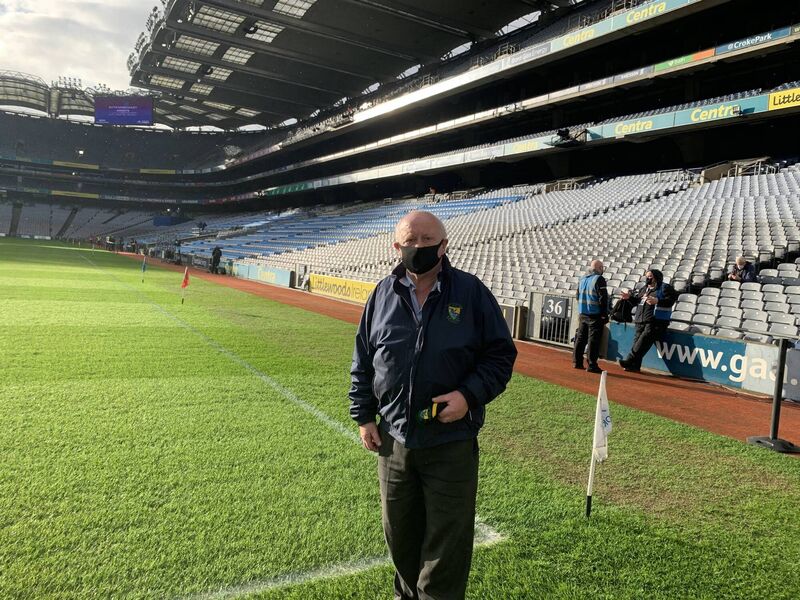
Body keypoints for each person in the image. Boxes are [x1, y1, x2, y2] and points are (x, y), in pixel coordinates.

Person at [350, 211, 517, 600]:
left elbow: (500, 356)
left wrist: (468, 395)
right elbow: (364, 359)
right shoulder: (381, 295)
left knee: (447, 542)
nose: (419, 247)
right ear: (397, 246)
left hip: (450, 441)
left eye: (429, 240)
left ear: (444, 246)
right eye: (412, 240)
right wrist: (363, 415)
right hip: (394, 440)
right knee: (400, 535)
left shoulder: (471, 293)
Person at [618, 269, 677, 373]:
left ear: (656, 277)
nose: (647, 278)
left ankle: (629, 360)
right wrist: (629, 298)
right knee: (638, 343)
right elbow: (637, 301)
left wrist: (658, 300)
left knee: (642, 342)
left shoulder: (665, 287)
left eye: (650, 276)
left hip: (655, 321)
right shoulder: (644, 288)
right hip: (640, 320)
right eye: (647, 276)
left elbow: (671, 300)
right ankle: (634, 366)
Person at [573, 259, 609, 374]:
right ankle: (592, 365)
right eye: (602, 267)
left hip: (583, 313)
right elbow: (603, 298)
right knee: (593, 341)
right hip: (595, 314)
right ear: (599, 268)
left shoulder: (583, 278)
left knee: (580, 338)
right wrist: (604, 314)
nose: (602, 269)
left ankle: (577, 362)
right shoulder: (599, 279)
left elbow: (577, 296)